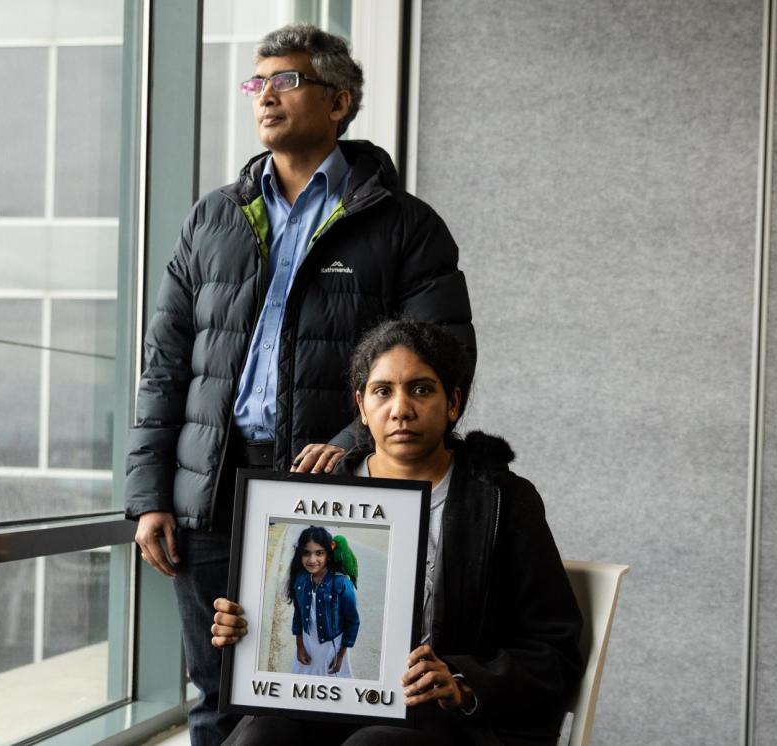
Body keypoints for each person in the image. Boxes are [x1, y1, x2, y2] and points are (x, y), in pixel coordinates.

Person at [125, 24, 475, 745]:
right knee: (215, 692)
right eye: (257, 83)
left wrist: (351, 440)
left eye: (286, 81)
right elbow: (166, 364)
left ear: (339, 100)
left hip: (332, 491)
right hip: (213, 491)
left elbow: (444, 356)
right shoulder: (212, 217)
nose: (265, 97)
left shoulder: (404, 227)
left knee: (324, 689)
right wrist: (148, 496)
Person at [211, 320, 582, 746]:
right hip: (327, 698)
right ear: (362, 407)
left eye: (422, 389)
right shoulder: (316, 493)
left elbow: (553, 649)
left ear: (454, 403)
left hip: (447, 719)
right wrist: (244, 630)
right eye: (383, 391)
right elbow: (279, 616)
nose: (401, 408)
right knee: (261, 735)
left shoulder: (501, 500)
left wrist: (462, 682)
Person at [286, 526, 359, 677]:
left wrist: (340, 656)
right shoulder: (300, 578)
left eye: (319, 553)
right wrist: (299, 645)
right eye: (306, 553)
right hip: (307, 644)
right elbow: (298, 613)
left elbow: (352, 622)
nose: (312, 560)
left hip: (333, 648)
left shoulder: (342, 584)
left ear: (328, 554)